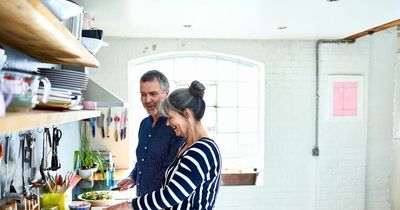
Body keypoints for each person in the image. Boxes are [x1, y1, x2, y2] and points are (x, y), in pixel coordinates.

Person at [131, 80, 222, 210]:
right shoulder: (187, 146)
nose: (167, 123)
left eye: (170, 117)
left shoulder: (203, 150)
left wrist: (129, 205)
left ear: (186, 114)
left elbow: (171, 195)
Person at [118, 70, 185, 196]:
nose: (147, 100)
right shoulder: (144, 124)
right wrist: (133, 177)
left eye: (153, 94)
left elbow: (168, 173)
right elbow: (143, 161)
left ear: (166, 93)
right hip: (142, 200)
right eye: (143, 94)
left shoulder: (176, 128)